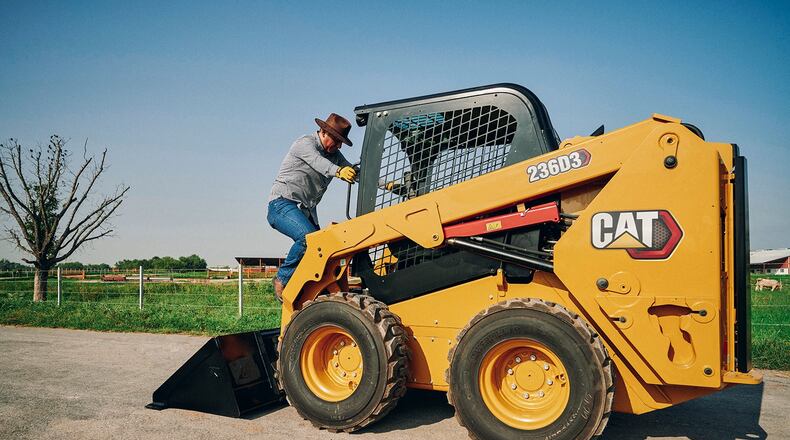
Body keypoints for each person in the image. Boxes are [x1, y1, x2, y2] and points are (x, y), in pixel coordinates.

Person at [267, 113, 357, 301]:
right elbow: (319, 163)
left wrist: (386, 184)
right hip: (282, 204)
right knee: (308, 239)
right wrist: (339, 171)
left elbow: (357, 173)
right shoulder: (304, 144)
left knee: (323, 251)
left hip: (303, 211)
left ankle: (318, 297)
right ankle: (281, 279)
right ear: (324, 132)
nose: (339, 146)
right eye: (337, 140)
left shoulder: (335, 156)